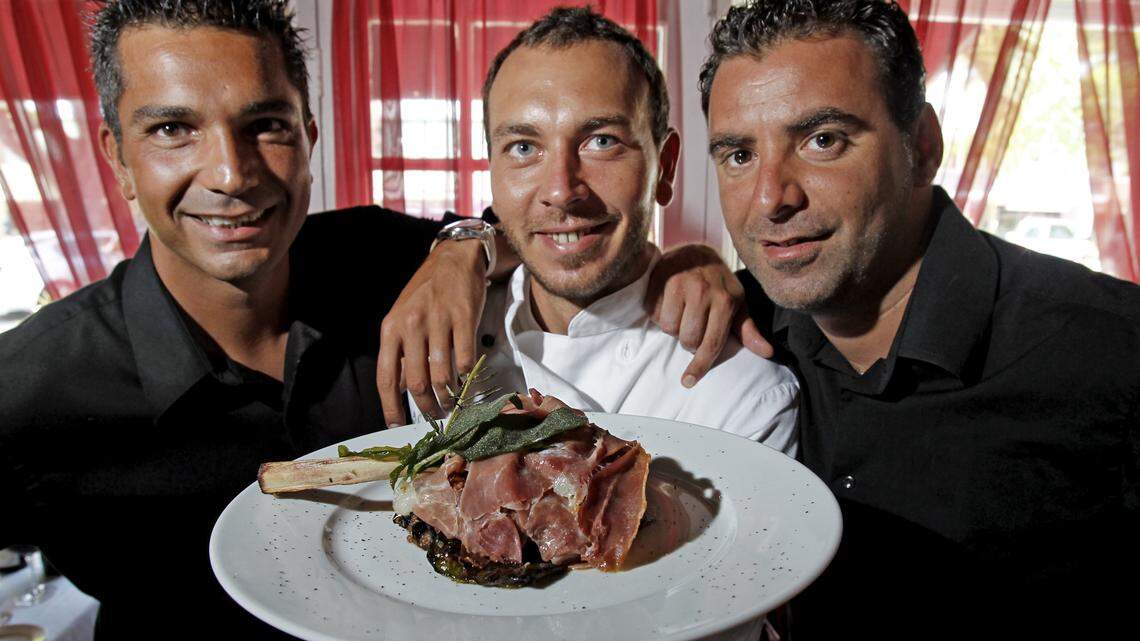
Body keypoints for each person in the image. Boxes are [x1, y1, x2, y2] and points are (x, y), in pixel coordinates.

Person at [0, 1, 749, 637]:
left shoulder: (376, 254)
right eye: (171, 130)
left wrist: (698, 267)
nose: (231, 173)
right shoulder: (31, 391)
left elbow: (542, 223)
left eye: (266, 124)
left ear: (309, 137)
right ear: (117, 158)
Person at [699, 0, 1139, 637]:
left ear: (923, 145)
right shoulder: (736, 322)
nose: (771, 197)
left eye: (823, 140)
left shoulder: (1113, 353)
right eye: (738, 154)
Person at [408, 8, 799, 456]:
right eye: (522, 147)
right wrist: (459, 249)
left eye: (602, 142)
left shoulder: (743, 398)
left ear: (664, 167)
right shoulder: (432, 342)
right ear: (492, 169)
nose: (561, 190)